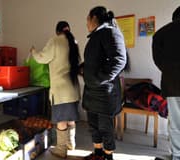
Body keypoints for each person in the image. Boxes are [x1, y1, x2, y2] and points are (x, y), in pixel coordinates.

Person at [30, 21, 81, 158]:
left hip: (61, 90)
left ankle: (61, 149)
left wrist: (33, 51)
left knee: (61, 120)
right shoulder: (74, 42)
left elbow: (42, 58)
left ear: (57, 31)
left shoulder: (55, 40)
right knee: (71, 118)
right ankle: (71, 143)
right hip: (73, 89)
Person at [82, 6, 127, 160]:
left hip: (104, 93)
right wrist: (82, 69)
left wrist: (97, 78)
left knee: (105, 127)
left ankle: (108, 156)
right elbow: (94, 61)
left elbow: (119, 60)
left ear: (94, 18)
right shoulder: (96, 36)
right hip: (92, 92)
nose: (86, 23)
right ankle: (98, 153)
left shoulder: (110, 32)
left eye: (87, 19)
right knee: (93, 126)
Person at [152, 4, 180, 160]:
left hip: (175, 85)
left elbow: (159, 61)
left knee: (178, 125)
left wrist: (171, 71)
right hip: (175, 84)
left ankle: (179, 156)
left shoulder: (162, 33)